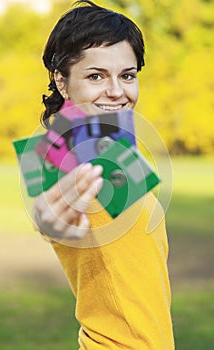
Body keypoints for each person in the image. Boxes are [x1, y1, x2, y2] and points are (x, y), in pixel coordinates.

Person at [33, 1, 175, 349]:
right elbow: (54, 210)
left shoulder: (116, 147)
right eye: (95, 76)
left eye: (127, 75)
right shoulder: (66, 154)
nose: (117, 91)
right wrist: (47, 222)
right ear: (62, 82)